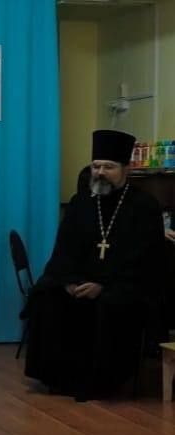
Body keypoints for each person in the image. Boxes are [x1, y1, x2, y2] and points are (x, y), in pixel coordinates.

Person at [24, 129, 165, 400]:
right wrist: (68, 281)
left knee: (111, 304)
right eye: (96, 166)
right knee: (47, 297)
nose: (100, 173)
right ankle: (57, 378)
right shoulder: (80, 203)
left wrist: (103, 285)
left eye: (108, 167)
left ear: (126, 169)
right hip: (79, 281)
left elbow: (146, 259)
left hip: (124, 285)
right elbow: (63, 250)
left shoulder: (145, 206)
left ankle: (102, 381)